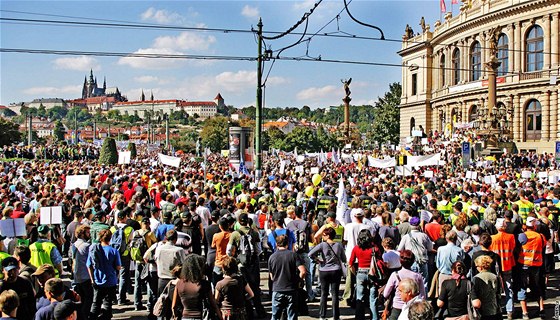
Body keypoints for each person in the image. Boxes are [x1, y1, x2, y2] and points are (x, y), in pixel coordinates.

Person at [227, 213, 266, 318]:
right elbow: (258, 250)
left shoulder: (235, 234)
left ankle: (247, 312)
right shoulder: (255, 233)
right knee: (255, 287)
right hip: (253, 264)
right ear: (248, 221)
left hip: (241, 265)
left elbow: (229, 251)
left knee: (243, 288)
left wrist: (236, 258)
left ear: (239, 222)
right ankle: (259, 311)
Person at [309, 227, 346, 320]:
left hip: (324, 270)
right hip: (336, 270)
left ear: (328, 235)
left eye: (324, 235)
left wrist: (318, 260)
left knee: (324, 293)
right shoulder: (339, 245)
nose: (323, 236)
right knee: (335, 294)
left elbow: (310, 254)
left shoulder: (322, 245)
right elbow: (344, 258)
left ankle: (322, 315)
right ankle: (336, 316)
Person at [171, 254, 223, 320]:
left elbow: (173, 306)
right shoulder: (205, 284)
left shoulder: (179, 283)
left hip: (185, 317)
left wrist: (175, 316)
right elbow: (213, 304)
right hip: (199, 316)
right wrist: (220, 317)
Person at [268, 234, 306, 320]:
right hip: (291, 289)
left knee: (275, 316)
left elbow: (272, 277)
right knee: (292, 316)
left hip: (277, 289)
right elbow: (303, 271)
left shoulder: (272, 257)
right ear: (287, 244)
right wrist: (299, 281)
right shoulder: (293, 255)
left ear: (276, 244)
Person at [87, 228, 121, 320]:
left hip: (98, 280)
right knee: (108, 304)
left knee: (96, 303)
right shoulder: (114, 251)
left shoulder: (93, 250)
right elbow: (118, 267)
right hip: (110, 281)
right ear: (110, 238)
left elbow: (89, 265)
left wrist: (92, 279)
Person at [383, 250, 425, 320]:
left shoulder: (395, 275)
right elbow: (423, 295)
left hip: (397, 307)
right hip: (413, 307)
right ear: (413, 261)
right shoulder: (417, 276)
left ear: (400, 261)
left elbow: (385, 294)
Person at [517, 216, 545, 319]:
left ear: (526, 226)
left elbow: (517, 247)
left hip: (523, 264)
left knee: (522, 287)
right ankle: (542, 310)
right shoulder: (541, 236)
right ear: (534, 226)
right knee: (536, 286)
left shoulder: (522, 236)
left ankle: (525, 313)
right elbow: (543, 246)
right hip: (536, 265)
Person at [348, 229, 378, 320]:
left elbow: (350, 264)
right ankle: (374, 317)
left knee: (359, 298)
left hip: (360, 272)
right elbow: (380, 261)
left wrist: (355, 273)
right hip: (372, 274)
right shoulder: (374, 248)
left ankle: (359, 317)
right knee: (373, 299)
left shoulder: (356, 248)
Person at [489, 218, 515, 319]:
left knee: (495, 289)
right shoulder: (511, 237)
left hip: (496, 266)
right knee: (508, 288)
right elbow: (512, 249)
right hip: (507, 264)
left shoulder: (492, 238)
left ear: (496, 227)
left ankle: (497, 309)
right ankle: (510, 311)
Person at [132, 217, 157, 311]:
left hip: (137, 260)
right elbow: (155, 244)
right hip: (147, 261)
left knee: (137, 283)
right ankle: (149, 305)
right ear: (148, 224)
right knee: (149, 283)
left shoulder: (136, 232)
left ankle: (136, 303)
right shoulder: (150, 234)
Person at [154, 229, 187, 296]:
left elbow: (156, 259)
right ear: (176, 239)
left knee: (162, 302)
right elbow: (184, 265)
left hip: (161, 280)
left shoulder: (159, 249)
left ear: (166, 238)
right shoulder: (179, 250)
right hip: (175, 280)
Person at [70, 224, 92, 318]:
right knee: (88, 297)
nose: (89, 234)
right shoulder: (87, 246)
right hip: (86, 275)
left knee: (81, 298)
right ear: (82, 234)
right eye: (87, 232)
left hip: (76, 275)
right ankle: (84, 315)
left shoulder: (74, 245)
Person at [471, 255, 501, 320]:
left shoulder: (476, 278)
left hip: (483, 311)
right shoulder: (496, 277)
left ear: (481, 267)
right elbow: (499, 294)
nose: (476, 268)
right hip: (495, 310)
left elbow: (474, 295)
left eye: (477, 266)